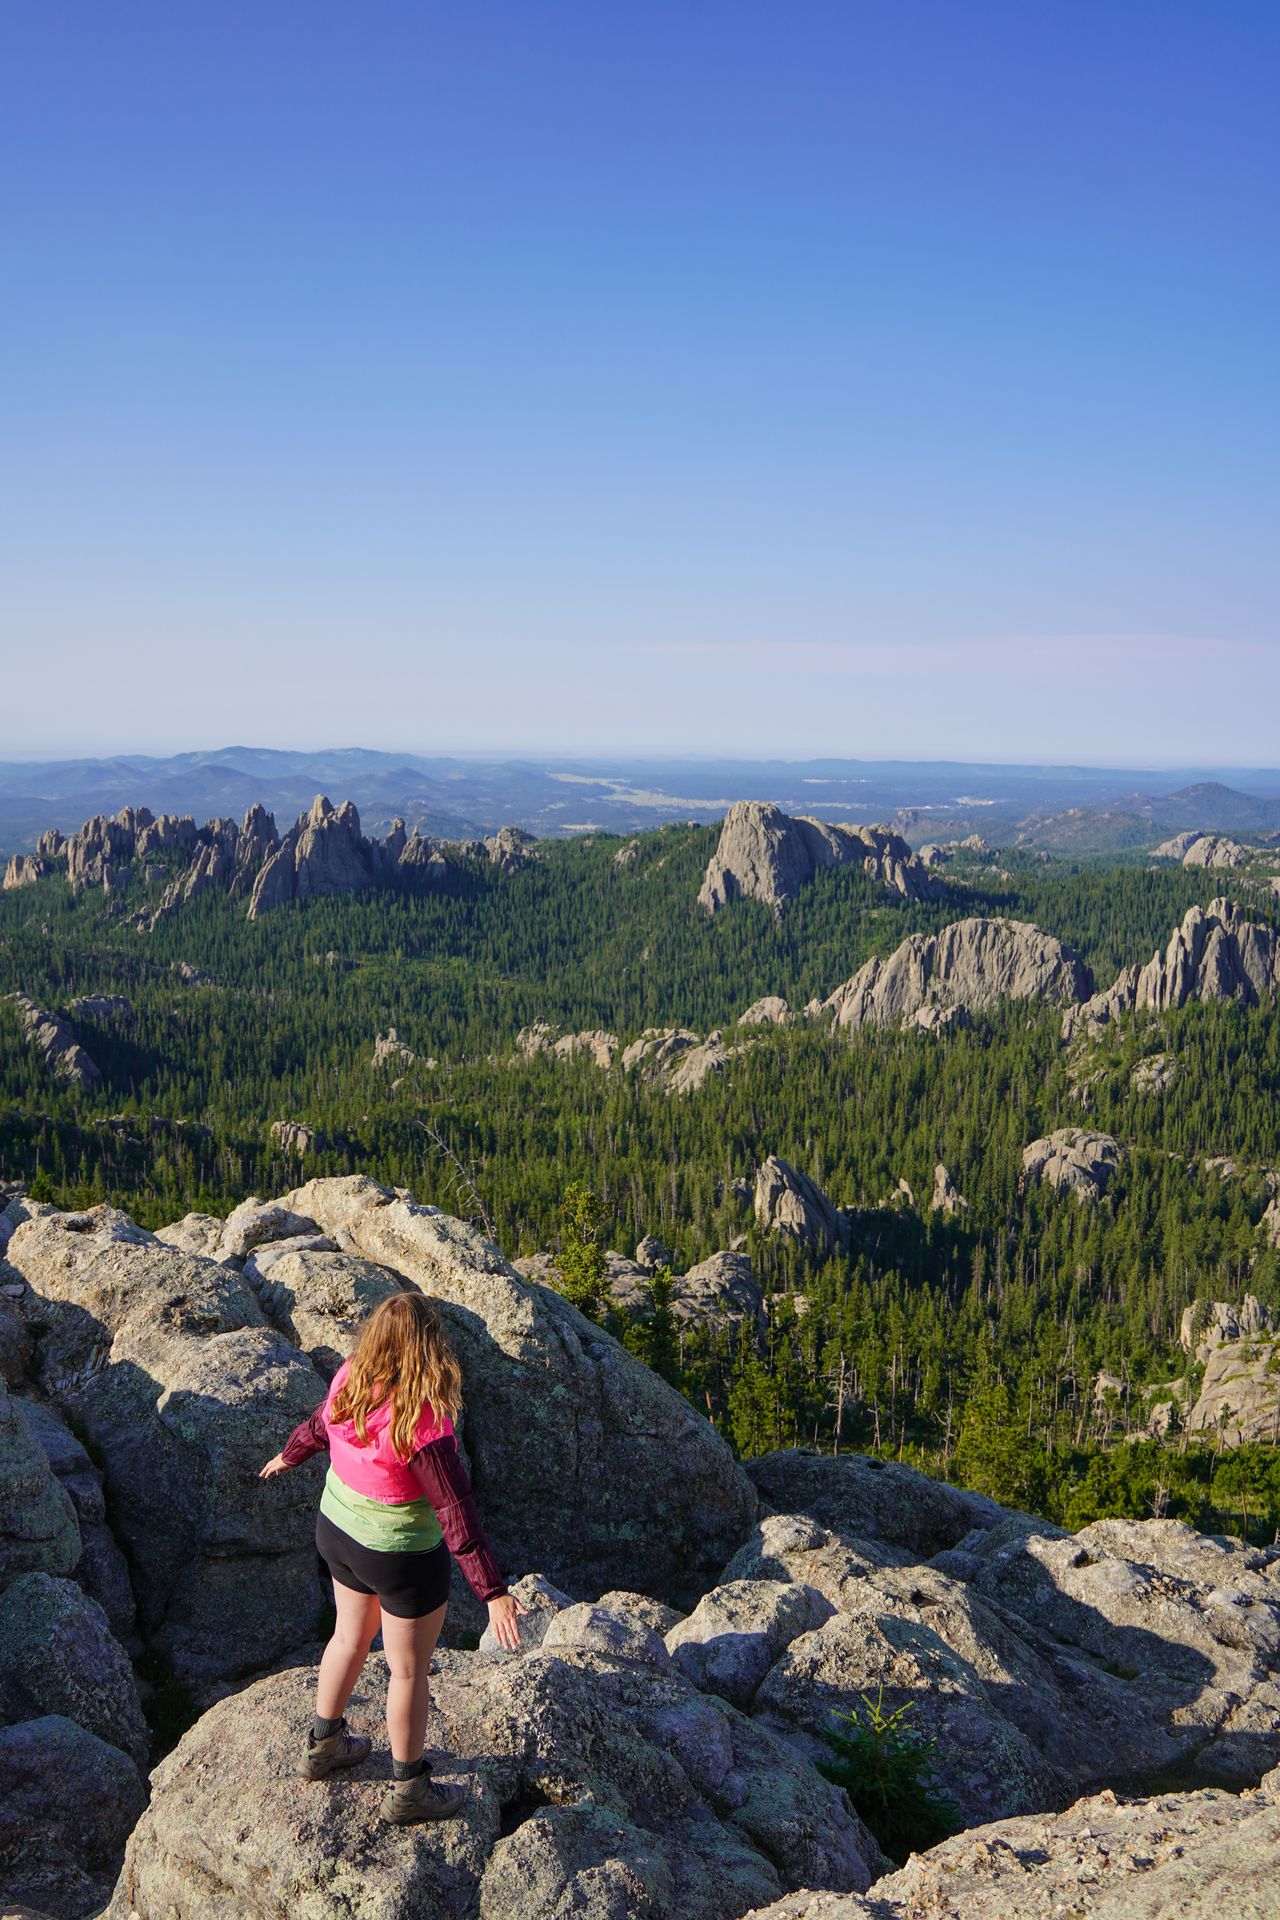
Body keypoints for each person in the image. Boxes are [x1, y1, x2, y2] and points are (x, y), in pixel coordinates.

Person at [260, 1290, 526, 1824]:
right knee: (407, 1673)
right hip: (399, 1557)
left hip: (337, 1532)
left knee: (347, 1637)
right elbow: (455, 1512)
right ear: (431, 1349)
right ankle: (409, 1789)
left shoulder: (352, 1376)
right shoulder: (422, 1421)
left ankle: (324, 1744)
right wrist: (493, 1593)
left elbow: (319, 1425)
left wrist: (289, 1455)